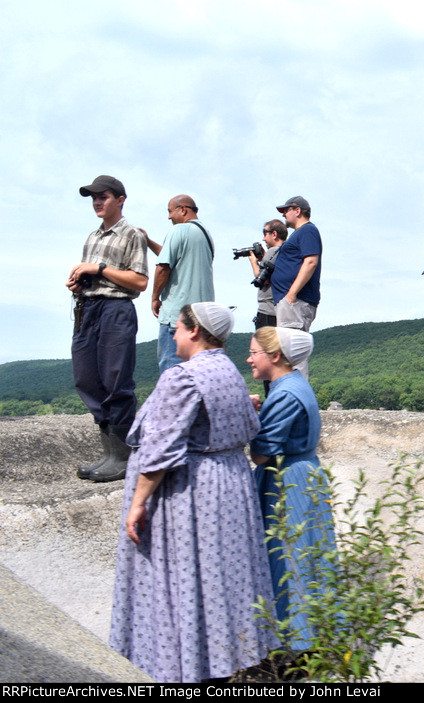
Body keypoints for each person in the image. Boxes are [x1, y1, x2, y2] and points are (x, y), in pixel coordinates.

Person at [109, 303, 276, 682]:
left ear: (195, 332)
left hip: (191, 492)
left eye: (177, 329)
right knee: (215, 580)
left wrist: (137, 503)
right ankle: (216, 660)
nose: (172, 335)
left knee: (179, 579)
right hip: (229, 486)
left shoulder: (182, 376)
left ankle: (181, 667)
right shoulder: (229, 371)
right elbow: (247, 426)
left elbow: (160, 451)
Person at [247, 326, 334, 650]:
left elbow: (260, 454)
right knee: (309, 557)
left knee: (289, 559)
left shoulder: (283, 394)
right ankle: (312, 637)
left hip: (290, 483)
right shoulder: (295, 385)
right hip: (304, 474)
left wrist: (245, 416)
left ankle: (296, 646)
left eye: (254, 352)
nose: (249, 359)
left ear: (275, 356)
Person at [67, 175, 149, 483]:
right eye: (94, 198)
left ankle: (123, 456)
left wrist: (98, 269)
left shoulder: (131, 235)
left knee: (117, 381)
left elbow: (139, 281)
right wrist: (79, 281)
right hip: (87, 308)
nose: (98, 202)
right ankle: (109, 453)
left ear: (120, 199)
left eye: (103, 197)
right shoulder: (92, 237)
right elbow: (95, 275)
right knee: (86, 379)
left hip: (116, 310)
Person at [147, 195, 215, 372]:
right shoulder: (205, 236)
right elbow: (171, 254)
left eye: (170, 211)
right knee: (196, 374)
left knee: (173, 373)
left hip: (177, 318)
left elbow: (163, 266)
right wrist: (147, 241)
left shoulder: (178, 230)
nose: (169, 217)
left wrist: (155, 298)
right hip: (201, 318)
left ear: (183, 209)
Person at [272, 196, 322, 378]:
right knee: (288, 352)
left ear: (298, 210)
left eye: (286, 210)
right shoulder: (300, 234)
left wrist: (291, 294)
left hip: (295, 301)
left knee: (292, 353)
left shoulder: (307, 231)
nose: (284, 214)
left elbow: (310, 261)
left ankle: (296, 401)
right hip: (290, 301)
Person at [251, 219, 288, 330]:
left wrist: (253, 261)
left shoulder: (272, 252)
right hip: (281, 312)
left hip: (267, 311)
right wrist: (264, 259)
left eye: (265, 234)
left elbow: (262, 279)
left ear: (274, 234)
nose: (263, 239)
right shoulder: (286, 251)